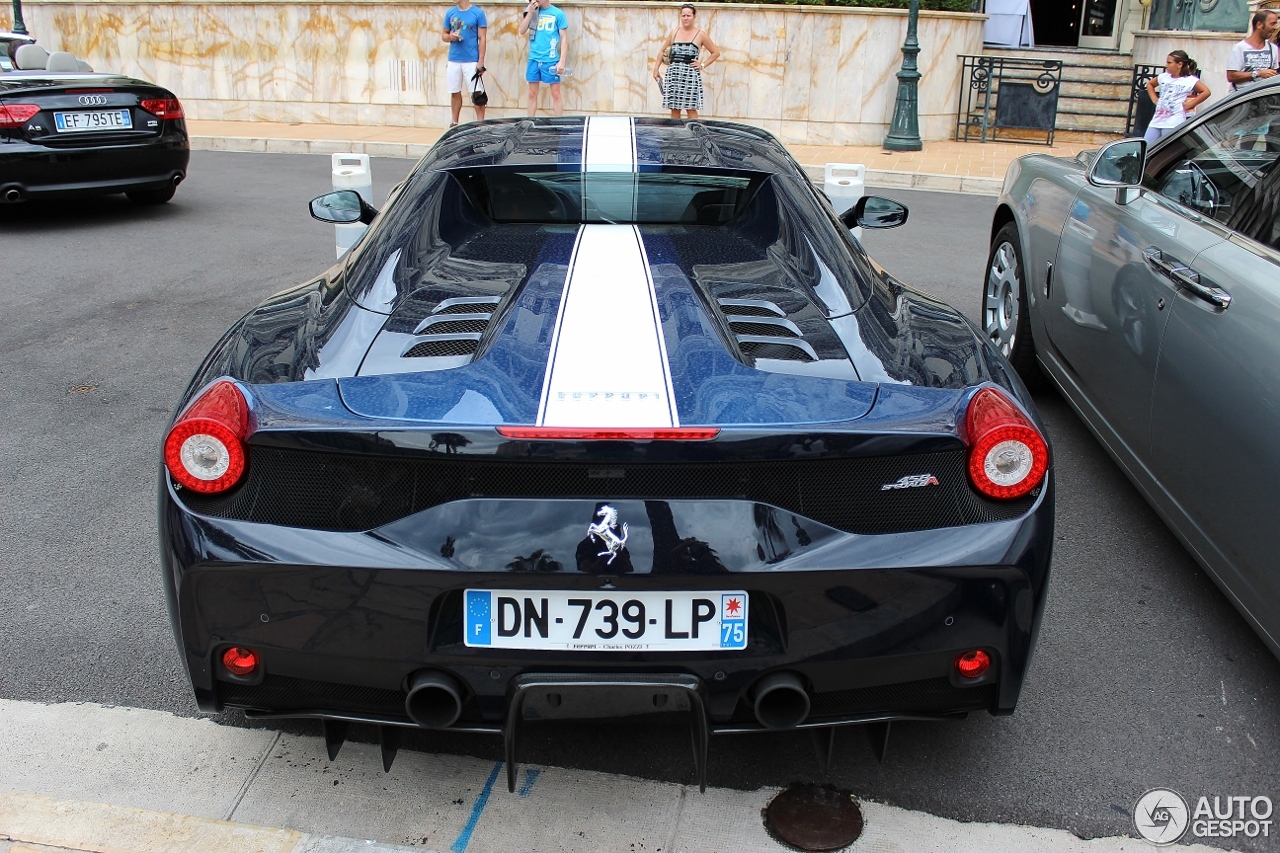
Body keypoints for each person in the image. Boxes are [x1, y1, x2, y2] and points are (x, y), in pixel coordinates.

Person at [652, 4, 721, 120]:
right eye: (683, 15)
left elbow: (716, 52)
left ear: (694, 17)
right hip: (673, 74)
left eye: (688, 15)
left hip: (690, 75)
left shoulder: (700, 34)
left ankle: (694, 135)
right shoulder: (674, 32)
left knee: (691, 108)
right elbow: (662, 51)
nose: (686, 18)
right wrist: (656, 70)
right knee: (674, 107)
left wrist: (702, 65)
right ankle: (675, 135)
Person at [1144, 51, 1210, 145]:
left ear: (1179, 64)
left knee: (1166, 149)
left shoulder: (1189, 80)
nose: (1166, 65)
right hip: (1157, 119)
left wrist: (1191, 104)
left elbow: (1206, 92)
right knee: (1146, 146)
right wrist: (1154, 99)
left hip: (1174, 121)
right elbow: (1150, 84)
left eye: (1169, 63)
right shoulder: (1163, 77)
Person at [518, 0, 568, 117]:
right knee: (531, 94)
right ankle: (530, 122)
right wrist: (530, 13)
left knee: (556, 94)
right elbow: (521, 30)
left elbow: (564, 38)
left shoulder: (558, 13)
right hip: (534, 59)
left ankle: (558, 125)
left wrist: (562, 61)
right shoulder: (531, 11)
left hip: (551, 59)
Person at [442, 0, 488, 126]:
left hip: (471, 60)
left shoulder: (478, 13)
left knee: (477, 93)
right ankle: (454, 122)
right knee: (454, 91)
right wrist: (450, 37)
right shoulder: (450, 13)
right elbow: (444, 35)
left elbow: (482, 38)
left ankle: (481, 124)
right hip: (454, 59)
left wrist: (481, 61)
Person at [1226, 9, 1278, 91]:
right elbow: (1231, 76)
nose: (1275, 28)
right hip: (1242, 98)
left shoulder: (1273, 48)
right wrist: (1258, 73)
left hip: (1262, 98)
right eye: (1272, 24)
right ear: (1259, 25)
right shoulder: (1240, 48)